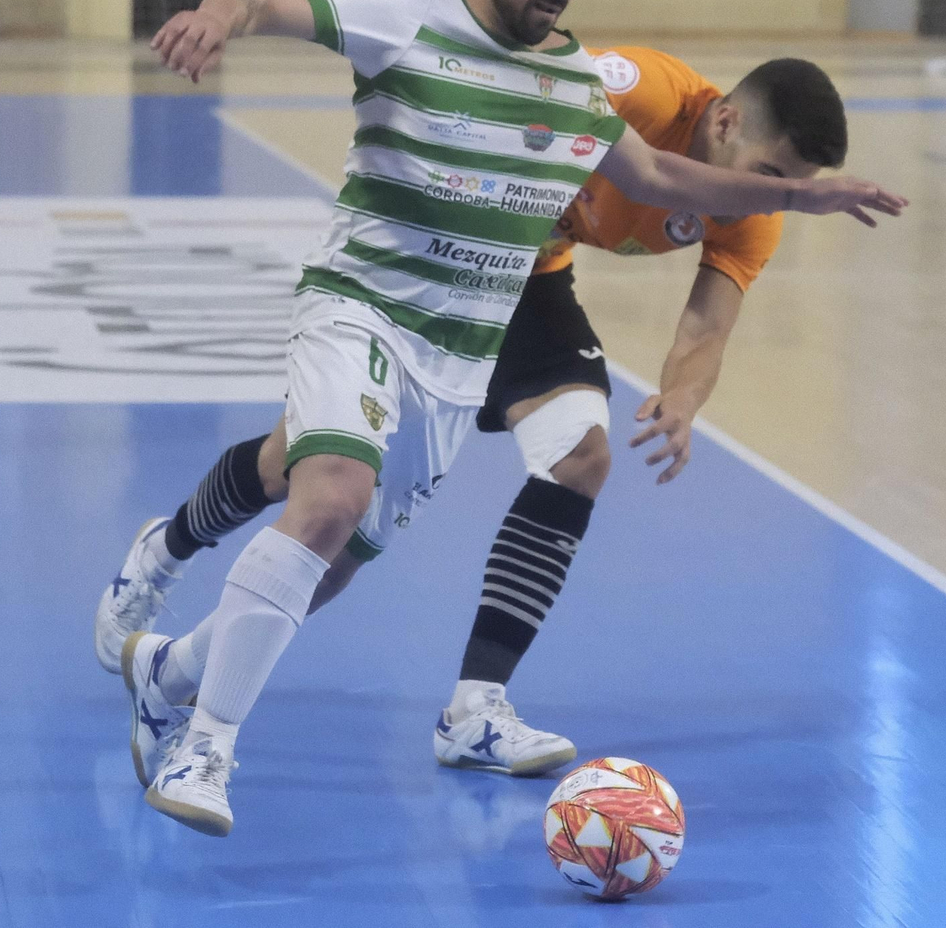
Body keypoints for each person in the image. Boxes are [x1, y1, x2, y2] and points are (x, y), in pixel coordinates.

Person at [124, 0, 905, 837]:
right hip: (362, 300)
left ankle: (170, 667)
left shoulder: (569, 81)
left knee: (341, 548)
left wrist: (794, 204)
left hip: (471, 334)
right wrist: (218, 16)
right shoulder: (418, 16)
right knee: (328, 493)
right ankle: (205, 742)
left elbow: (667, 185)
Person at [96, 47, 847, 779]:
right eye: (772, 178)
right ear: (722, 122)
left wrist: (683, 400)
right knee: (304, 470)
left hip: (532, 282)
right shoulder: (638, 91)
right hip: (442, 256)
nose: (776, 197)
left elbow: (706, 328)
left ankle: (473, 709)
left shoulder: (755, 211)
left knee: (575, 458)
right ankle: (166, 552)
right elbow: (511, 95)